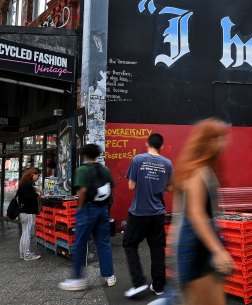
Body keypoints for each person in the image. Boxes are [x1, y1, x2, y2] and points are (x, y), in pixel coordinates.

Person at [174, 119, 234, 305]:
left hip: (200, 244)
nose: (224, 143)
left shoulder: (201, 168)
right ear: (208, 142)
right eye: (219, 138)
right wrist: (218, 251)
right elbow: (195, 213)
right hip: (197, 246)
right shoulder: (198, 170)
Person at [59, 144, 116, 291]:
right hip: (103, 209)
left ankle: (78, 279)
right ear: (97, 155)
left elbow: (82, 191)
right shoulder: (105, 170)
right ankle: (109, 276)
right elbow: (111, 186)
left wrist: (80, 208)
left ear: (84, 155)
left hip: (87, 209)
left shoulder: (82, 170)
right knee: (103, 243)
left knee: (80, 244)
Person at [123, 133, 173, 298]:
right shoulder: (167, 163)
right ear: (162, 146)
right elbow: (170, 188)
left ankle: (139, 283)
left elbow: (130, 186)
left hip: (139, 212)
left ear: (147, 144)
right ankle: (158, 287)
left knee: (130, 244)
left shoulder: (138, 159)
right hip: (158, 213)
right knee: (157, 249)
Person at [18, 167, 42, 261]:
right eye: (38, 175)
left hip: (24, 212)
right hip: (27, 212)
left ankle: (23, 253)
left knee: (25, 233)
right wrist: (37, 195)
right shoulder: (27, 184)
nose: (38, 177)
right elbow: (28, 197)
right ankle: (27, 255)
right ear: (33, 174)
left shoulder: (24, 183)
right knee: (27, 234)